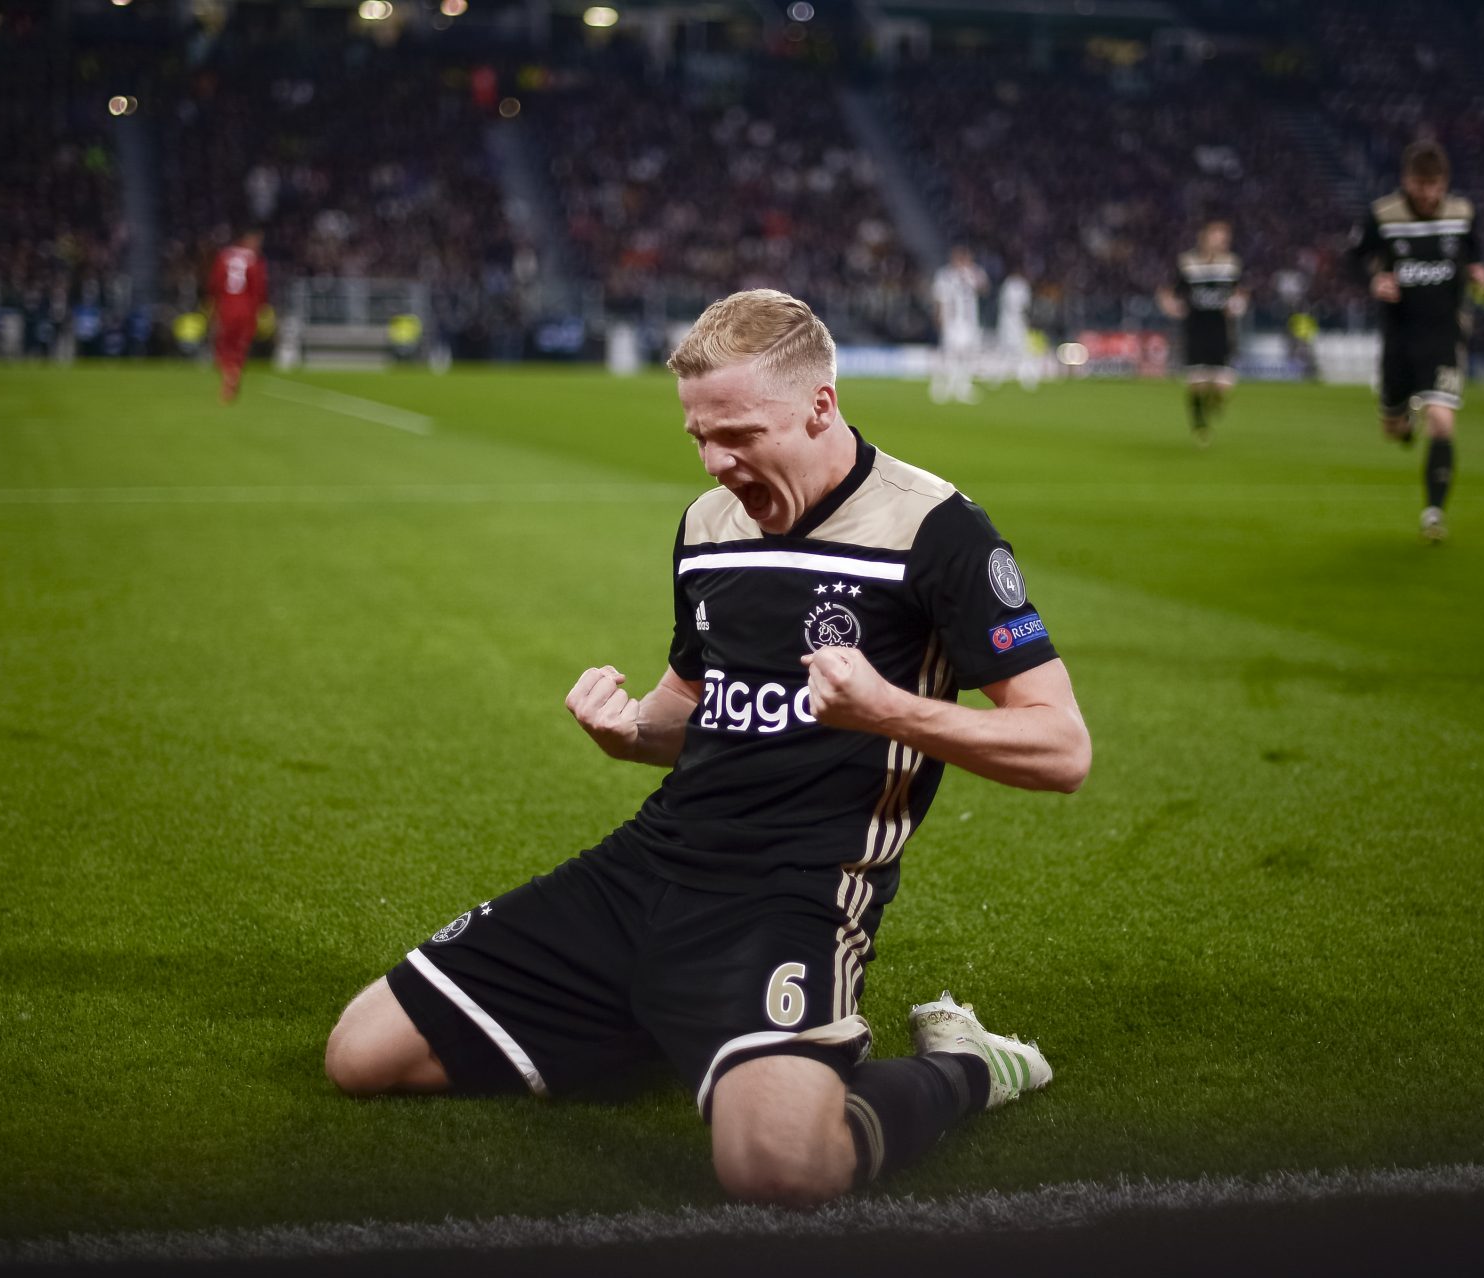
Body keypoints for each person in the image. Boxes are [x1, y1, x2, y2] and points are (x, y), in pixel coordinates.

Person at [324, 289, 1092, 1208]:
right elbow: (694, 712)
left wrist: (891, 710)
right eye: (697, 436)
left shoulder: (935, 533)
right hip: (650, 867)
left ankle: (968, 1066)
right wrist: (631, 731)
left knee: (777, 1168)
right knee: (361, 1053)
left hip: (793, 893)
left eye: (738, 434)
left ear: (820, 404)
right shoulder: (705, 529)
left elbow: (1061, 748)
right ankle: (677, 1026)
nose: (715, 461)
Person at [1348, 140, 1484, 542]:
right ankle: (1404, 420)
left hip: (1444, 335)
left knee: (1443, 419)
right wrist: (1374, 279)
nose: (1429, 194)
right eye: (1421, 185)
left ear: (1445, 182)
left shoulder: (1462, 214)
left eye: (1435, 186)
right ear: (1406, 181)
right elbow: (1353, 258)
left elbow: (1476, 253)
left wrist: (1480, 272)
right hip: (1398, 337)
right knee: (1393, 429)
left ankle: (1433, 512)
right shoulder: (1383, 215)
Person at [1156, 220, 1245, 446]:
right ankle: (1200, 427)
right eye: (1218, 235)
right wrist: (1169, 305)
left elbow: (1241, 291)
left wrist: (1238, 303)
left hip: (1222, 330)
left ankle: (1215, 401)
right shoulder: (1188, 263)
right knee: (1197, 383)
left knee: (1222, 386)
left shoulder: (1232, 264)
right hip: (1195, 329)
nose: (1222, 240)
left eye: (1225, 236)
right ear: (1205, 236)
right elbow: (1168, 290)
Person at [209, 229, 269, 403]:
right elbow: (259, 287)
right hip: (246, 308)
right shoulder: (254, 259)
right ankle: (233, 376)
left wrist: (214, 306)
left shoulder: (223, 256)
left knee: (225, 344)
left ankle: (229, 376)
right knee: (239, 345)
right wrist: (262, 308)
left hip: (226, 306)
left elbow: (215, 284)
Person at [931, 246, 987, 404]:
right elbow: (939, 297)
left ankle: (963, 386)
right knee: (949, 354)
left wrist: (970, 273)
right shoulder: (945, 275)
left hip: (969, 321)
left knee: (967, 354)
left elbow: (984, 287)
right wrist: (939, 315)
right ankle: (941, 385)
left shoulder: (972, 272)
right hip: (951, 321)